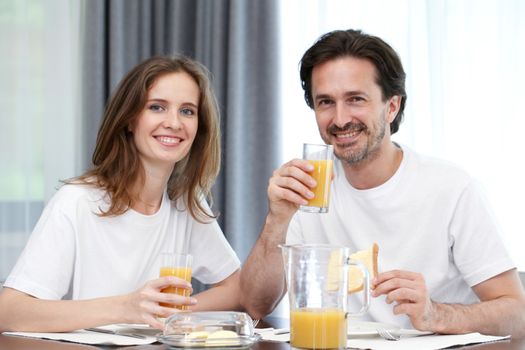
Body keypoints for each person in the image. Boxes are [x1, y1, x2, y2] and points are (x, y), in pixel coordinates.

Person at [240, 29, 525, 337]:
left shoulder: (452, 187)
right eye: (326, 102)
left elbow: (516, 312)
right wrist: (276, 220)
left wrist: (436, 314)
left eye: (355, 99)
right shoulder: (309, 190)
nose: (339, 119)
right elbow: (256, 307)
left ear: (392, 107)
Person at [0, 55, 242, 332]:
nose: (174, 123)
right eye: (157, 107)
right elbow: (8, 311)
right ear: (129, 120)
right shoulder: (77, 200)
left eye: (187, 111)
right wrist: (125, 308)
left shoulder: (185, 202)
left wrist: (168, 313)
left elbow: (237, 288)